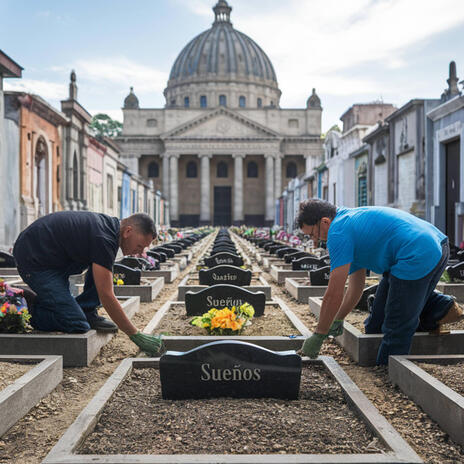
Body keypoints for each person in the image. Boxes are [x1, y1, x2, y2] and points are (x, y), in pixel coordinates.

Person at [297, 199, 463, 365]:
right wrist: (338, 318)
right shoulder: (346, 224)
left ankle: (388, 372)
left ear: (325, 222)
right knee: (376, 323)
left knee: (396, 326)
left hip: (416, 253)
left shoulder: (337, 232)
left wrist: (319, 333)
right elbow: (356, 286)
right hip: (434, 245)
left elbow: (334, 292)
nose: (314, 240)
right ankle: (437, 307)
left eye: (313, 234)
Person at [13, 211, 164, 356]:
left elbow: (102, 275)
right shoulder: (104, 238)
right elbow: (106, 295)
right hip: (35, 261)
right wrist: (134, 334)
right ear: (128, 232)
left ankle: (87, 310)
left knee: (102, 267)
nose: (138, 252)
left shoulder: (110, 231)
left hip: (54, 260)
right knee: (77, 323)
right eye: (139, 246)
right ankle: (25, 305)